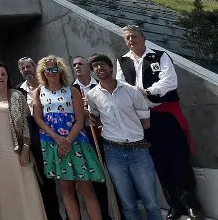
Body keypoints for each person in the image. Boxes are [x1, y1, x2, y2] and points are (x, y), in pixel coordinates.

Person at [116, 25, 203, 220]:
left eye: (134, 36)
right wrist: (135, 96)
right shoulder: (122, 61)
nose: (131, 40)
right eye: (127, 38)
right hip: (143, 118)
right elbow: (121, 85)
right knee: (158, 161)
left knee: (178, 157)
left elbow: (170, 81)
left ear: (143, 37)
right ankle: (175, 205)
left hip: (165, 113)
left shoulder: (160, 56)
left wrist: (146, 92)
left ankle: (191, 204)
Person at [86, 53, 163, 220]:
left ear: (111, 68)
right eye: (95, 66)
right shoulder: (92, 95)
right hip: (113, 152)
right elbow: (95, 117)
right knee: (127, 204)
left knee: (151, 203)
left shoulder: (132, 91)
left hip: (138, 150)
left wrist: (133, 133)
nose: (99, 68)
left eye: (102, 64)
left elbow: (146, 120)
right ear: (93, 71)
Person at [33, 56, 105, 220]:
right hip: (52, 143)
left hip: (76, 142)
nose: (51, 73)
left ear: (60, 70)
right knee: (66, 190)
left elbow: (80, 120)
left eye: (54, 69)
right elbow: (38, 119)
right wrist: (58, 139)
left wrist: (67, 141)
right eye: (47, 69)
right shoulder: (38, 91)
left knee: (87, 188)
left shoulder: (72, 91)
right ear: (42, 72)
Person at [0, 62, 46, 220]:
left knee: (24, 184)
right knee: (4, 188)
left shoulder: (17, 95)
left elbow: (26, 123)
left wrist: (26, 147)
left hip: (17, 147)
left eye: (3, 74)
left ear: (8, 76)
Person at [18, 57, 63, 220]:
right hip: (36, 137)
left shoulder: (50, 85)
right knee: (46, 180)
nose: (26, 70)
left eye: (28, 66)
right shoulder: (19, 91)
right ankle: (53, 215)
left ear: (35, 67)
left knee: (66, 178)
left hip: (59, 131)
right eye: (22, 68)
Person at [71, 56, 113, 220]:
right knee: (96, 178)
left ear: (89, 68)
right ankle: (102, 213)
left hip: (107, 133)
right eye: (74, 65)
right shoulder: (71, 89)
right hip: (85, 136)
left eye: (80, 64)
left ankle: (118, 211)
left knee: (112, 175)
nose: (77, 67)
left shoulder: (101, 84)